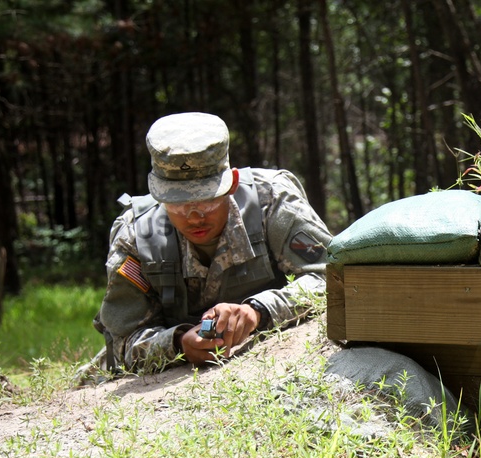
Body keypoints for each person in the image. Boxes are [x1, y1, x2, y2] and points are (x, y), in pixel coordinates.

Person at [91, 112, 334, 374]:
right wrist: (178, 343)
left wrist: (257, 311)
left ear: (232, 184)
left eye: (207, 199)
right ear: (158, 195)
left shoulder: (272, 201)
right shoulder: (136, 234)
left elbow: (332, 277)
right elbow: (121, 342)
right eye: (178, 203)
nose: (195, 217)